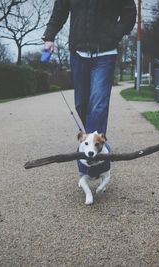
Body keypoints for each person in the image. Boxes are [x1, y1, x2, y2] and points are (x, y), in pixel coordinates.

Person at [42, 0, 137, 177]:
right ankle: (95, 143)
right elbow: (60, 11)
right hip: (78, 53)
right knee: (81, 104)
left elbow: (129, 14)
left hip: (105, 54)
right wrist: (49, 37)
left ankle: (93, 163)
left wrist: (113, 34)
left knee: (98, 106)